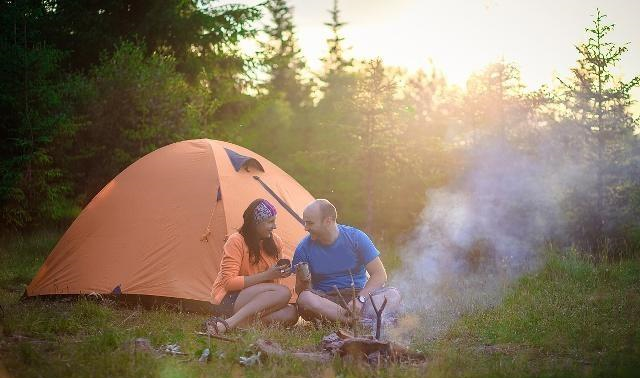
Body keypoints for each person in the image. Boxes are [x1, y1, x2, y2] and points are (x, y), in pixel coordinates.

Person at [293, 199, 401, 323]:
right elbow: (301, 292)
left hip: (360, 296)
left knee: (393, 294)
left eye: (310, 223)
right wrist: (305, 282)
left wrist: (360, 299)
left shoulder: (356, 238)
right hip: (328, 302)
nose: (305, 228)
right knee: (305, 298)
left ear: (328, 221)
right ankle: (362, 322)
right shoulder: (303, 248)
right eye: (305, 223)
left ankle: (351, 321)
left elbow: (380, 275)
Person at [206, 199, 297, 334]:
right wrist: (267, 275)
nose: (274, 226)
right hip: (229, 298)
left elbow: (271, 286)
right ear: (256, 223)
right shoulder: (236, 241)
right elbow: (229, 283)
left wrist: (280, 272)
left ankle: (241, 323)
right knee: (283, 292)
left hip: (253, 300)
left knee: (291, 313)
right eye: (270, 222)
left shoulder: (275, 242)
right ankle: (228, 324)